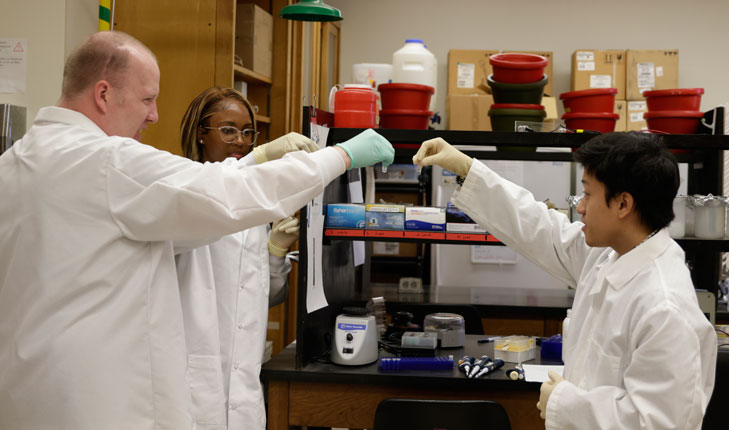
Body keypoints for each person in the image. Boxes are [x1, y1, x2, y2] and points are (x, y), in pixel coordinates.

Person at [0, 31, 394, 430]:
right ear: (103, 94)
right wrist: (340, 155)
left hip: (26, 401)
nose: (153, 115)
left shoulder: (14, 163)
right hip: (100, 405)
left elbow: (195, 211)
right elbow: (229, 193)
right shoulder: (107, 161)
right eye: (147, 99)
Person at [412, 132, 717, 429]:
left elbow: (661, 423)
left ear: (623, 205)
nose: (580, 207)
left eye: (587, 194)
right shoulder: (609, 255)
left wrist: (565, 403)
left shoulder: (665, 308)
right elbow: (541, 227)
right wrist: (468, 169)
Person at [175, 87, 302, 429]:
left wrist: (275, 253)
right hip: (193, 380)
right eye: (228, 130)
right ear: (201, 134)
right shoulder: (180, 191)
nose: (240, 142)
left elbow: (266, 297)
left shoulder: (255, 203)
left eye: (248, 133)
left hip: (245, 385)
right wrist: (261, 157)